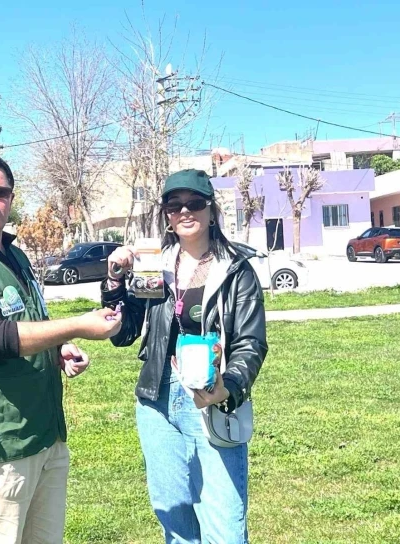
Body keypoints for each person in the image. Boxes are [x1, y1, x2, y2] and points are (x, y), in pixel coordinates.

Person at [0, 153, 122, 544]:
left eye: (0, 192)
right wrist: (78, 325)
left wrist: (58, 348)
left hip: (44, 432)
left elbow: (29, 321)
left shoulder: (14, 254)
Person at [101, 169, 268, 544]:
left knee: (223, 525)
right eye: (174, 206)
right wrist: (114, 281)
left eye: (194, 203)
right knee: (175, 522)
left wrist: (230, 388)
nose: (184, 212)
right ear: (166, 215)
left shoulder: (236, 269)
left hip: (212, 397)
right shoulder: (155, 264)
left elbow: (251, 342)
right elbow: (124, 332)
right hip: (157, 401)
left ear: (211, 210)